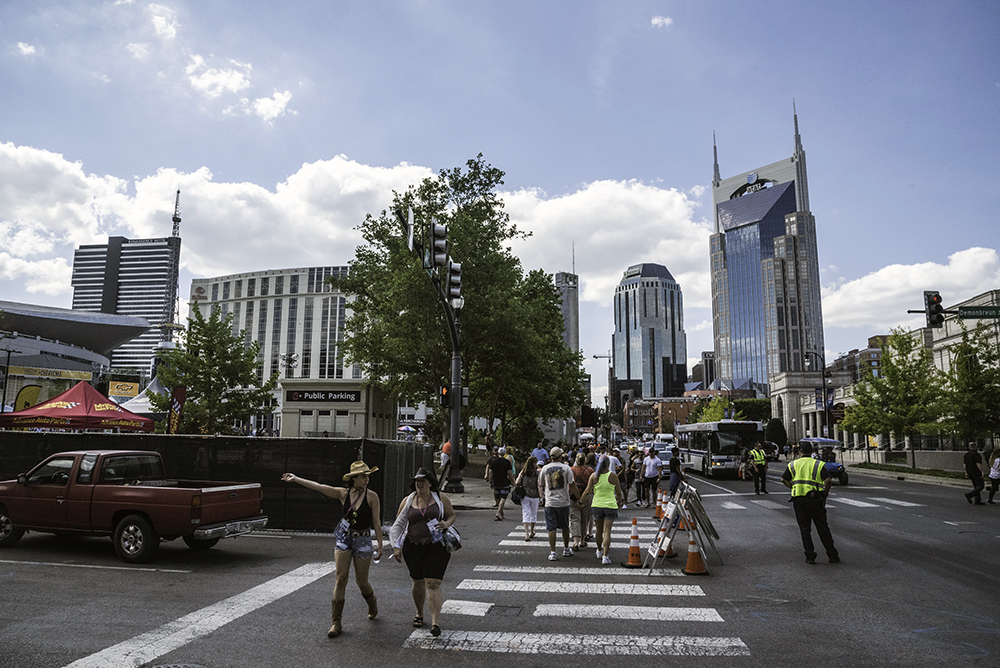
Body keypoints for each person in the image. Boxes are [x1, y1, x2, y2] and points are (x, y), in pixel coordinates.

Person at [281, 461, 383, 637]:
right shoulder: (343, 493)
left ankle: (372, 603)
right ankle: (336, 622)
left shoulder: (372, 496)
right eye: (362, 476)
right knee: (341, 578)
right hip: (344, 539)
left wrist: (380, 544)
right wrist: (296, 478)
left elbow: (377, 522)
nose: (366, 479)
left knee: (362, 582)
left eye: (367, 476)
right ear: (353, 479)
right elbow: (319, 487)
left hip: (363, 540)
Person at [389, 467, 456, 638]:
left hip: (437, 546)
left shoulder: (441, 499)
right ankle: (419, 612)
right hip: (413, 546)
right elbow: (398, 524)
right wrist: (396, 547)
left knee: (433, 583)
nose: (419, 483)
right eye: (417, 481)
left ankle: (435, 622)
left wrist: (446, 524)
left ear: (430, 483)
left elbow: (451, 516)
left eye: (423, 480)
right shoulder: (408, 500)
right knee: (417, 581)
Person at [781, 441, 839, 564]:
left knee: (805, 529)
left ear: (800, 451)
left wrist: (793, 487)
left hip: (799, 499)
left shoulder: (793, 464)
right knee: (822, 527)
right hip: (815, 499)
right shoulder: (818, 464)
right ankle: (832, 555)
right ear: (812, 451)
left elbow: (783, 479)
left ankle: (810, 556)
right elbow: (828, 480)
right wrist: (825, 492)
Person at [583, 455, 624, 564]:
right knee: (607, 532)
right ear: (608, 464)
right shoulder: (613, 476)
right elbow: (619, 492)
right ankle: (605, 556)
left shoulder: (593, 476)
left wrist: (581, 502)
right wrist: (619, 501)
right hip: (610, 505)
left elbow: (587, 491)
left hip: (597, 505)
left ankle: (599, 550)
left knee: (598, 530)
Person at [538, 446, 575, 561]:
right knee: (565, 527)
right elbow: (572, 484)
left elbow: (541, 484)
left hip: (550, 502)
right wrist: (577, 497)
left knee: (551, 528)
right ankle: (566, 548)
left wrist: (542, 497)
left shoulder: (545, 468)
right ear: (560, 456)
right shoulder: (566, 468)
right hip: (563, 501)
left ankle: (553, 552)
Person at [569, 453, 594, 550]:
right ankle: (583, 540)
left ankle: (576, 541)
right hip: (586, 496)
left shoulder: (571, 470)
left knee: (574, 519)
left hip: (573, 496)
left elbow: (569, 484)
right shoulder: (589, 470)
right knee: (585, 518)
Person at [486, 446, 515, 520]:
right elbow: (509, 473)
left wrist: (490, 480)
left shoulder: (494, 461)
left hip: (496, 482)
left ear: (498, 453)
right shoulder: (507, 462)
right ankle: (498, 513)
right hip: (504, 482)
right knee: (503, 498)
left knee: (498, 499)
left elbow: (490, 471)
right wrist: (513, 482)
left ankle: (502, 515)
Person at [515, 456, 541, 540]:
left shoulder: (523, 472)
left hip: (525, 495)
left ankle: (526, 534)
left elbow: (517, 482)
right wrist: (542, 497)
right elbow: (539, 485)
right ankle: (531, 531)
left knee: (525, 514)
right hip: (535, 496)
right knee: (533, 514)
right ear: (533, 463)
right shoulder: (537, 473)